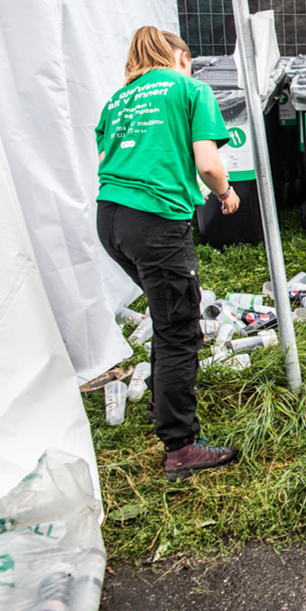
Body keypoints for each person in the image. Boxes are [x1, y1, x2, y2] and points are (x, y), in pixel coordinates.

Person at [96, 27, 240, 481]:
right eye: (190, 60)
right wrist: (225, 192)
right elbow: (208, 163)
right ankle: (180, 446)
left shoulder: (118, 99)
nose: (192, 67)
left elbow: (108, 158)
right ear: (178, 56)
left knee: (166, 311)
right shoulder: (190, 88)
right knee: (180, 328)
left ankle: (163, 395)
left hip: (110, 219)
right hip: (155, 222)